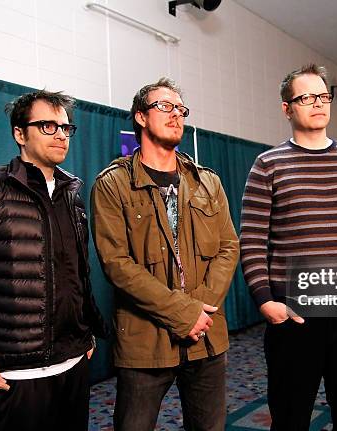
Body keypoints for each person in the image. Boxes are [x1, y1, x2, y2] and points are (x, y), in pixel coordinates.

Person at [0, 90, 107, 431]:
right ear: (19, 133)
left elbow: (79, 273)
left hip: (73, 364)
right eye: (47, 125)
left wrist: (86, 330)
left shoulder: (73, 195)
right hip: (17, 372)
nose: (61, 134)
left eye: (65, 127)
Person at [240, 64, 337, 430]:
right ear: (286, 108)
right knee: (290, 419)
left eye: (323, 96)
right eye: (306, 97)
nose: (318, 104)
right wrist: (265, 301)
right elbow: (252, 240)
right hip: (293, 318)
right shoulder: (268, 164)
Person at [91, 77, 239, 431]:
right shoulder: (112, 183)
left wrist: (198, 312)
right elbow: (116, 264)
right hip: (144, 343)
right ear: (140, 117)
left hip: (206, 338)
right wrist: (182, 313)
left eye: (181, 109)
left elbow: (228, 247)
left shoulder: (208, 182)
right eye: (165, 106)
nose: (176, 115)